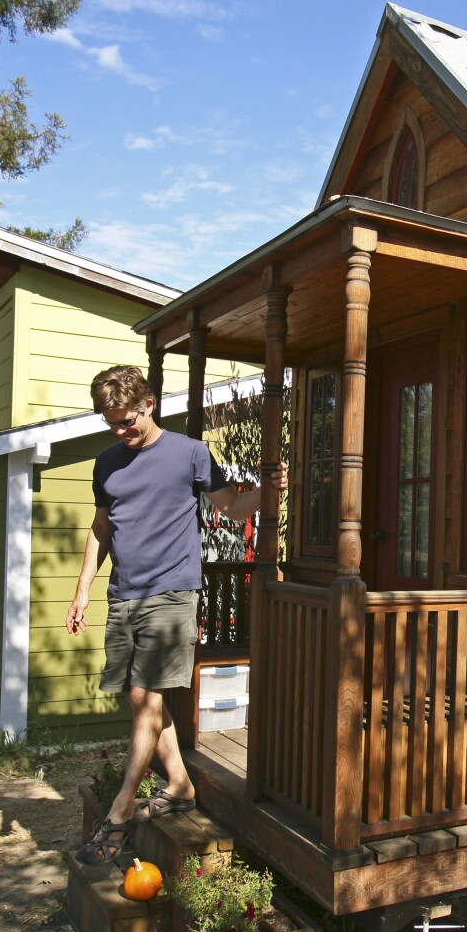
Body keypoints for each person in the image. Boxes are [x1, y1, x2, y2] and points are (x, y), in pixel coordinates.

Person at [67, 365, 284, 864]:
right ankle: (181, 784)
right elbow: (101, 529)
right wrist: (82, 592)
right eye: (111, 423)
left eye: (126, 421)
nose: (119, 431)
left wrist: (270, 491)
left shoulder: (190, 453)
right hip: (124, 595)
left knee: (147, 700)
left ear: (150, 405)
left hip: (172, 593)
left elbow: (232, 507)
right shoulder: (106, 464)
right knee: (139, 700)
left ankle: (120, 810)